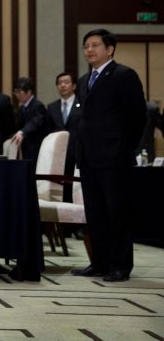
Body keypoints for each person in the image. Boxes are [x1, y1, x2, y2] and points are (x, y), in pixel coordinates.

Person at [72, 28, 146, 282]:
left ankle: (120, 265)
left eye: (94, 45)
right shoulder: (84, 80)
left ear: (110, 48)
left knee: (118, 213)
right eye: (86, 46)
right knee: (96, 213)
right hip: (89, 158)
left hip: (115, 159)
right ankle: (100, 262)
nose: (89, 50)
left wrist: (123, 149)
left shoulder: (124, 75)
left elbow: (138, 117)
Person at [46, 72, 81, 202]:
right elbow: (48, 132)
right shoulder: (51, 107)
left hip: (77, 153)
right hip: (58, 155)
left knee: (76, 188)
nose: (63, 85)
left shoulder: (82, 105)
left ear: (74, 86)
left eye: (66, 82)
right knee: (59, 188)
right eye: (60, 83)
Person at [11, 77, 48, 160]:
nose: (17, 95)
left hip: (36, 147)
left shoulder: (38, 105)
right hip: (24, 147)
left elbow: (34, 122)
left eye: (19, 92)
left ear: (29, 92)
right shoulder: (21, 108)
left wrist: (22, 132)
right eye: (15, 92)